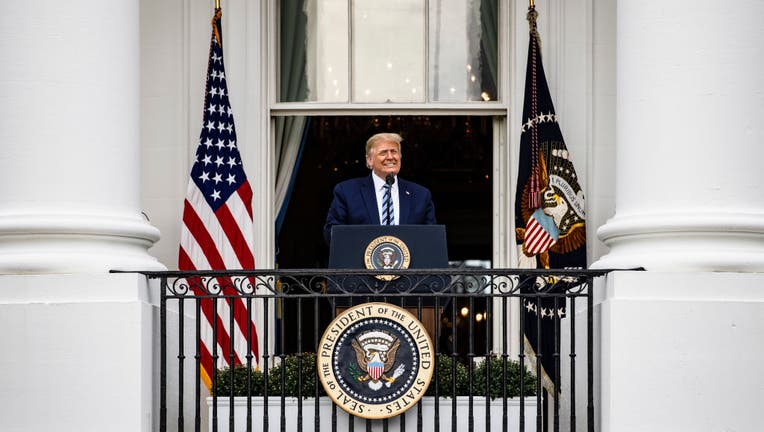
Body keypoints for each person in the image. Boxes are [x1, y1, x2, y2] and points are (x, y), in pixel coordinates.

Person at [323, 132, 436, 244]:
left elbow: (431, 239)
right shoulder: (346, 191)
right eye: (383, 153)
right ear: (369, 160)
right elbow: (332, 235)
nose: (390, 157)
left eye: (394, 152)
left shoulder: (421, 195)